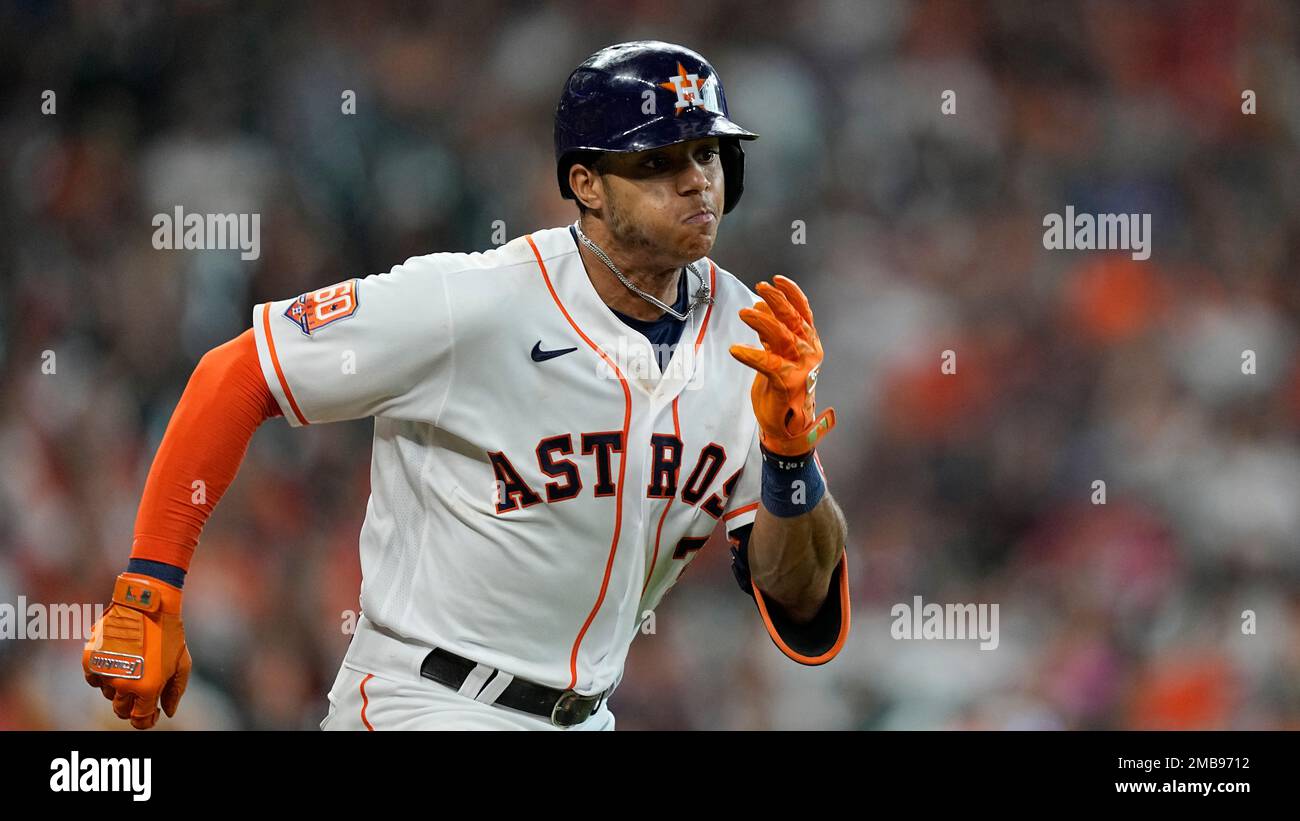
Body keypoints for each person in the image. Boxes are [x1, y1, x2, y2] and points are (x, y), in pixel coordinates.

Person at [82, 40, 850, 731]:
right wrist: (151, 584)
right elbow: (238, 371)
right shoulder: (475, 302)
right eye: (657, 162)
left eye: (707, 156)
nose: (694, 182)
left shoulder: (754, 338)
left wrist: (788, 458)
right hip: (431, 701)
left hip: (589, 716)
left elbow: (802, 600)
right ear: (586, 182)